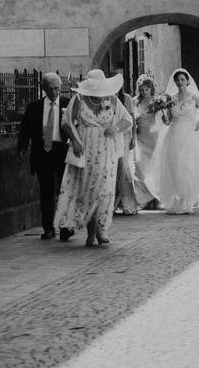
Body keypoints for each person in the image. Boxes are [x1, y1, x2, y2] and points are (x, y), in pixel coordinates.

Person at [55, 69, 133, 247]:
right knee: (89, 190)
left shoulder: (112, 100)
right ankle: (90, 232)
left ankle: (101, 229)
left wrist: (115, 128)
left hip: (107, 150)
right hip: (86, 150)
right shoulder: (79, 100)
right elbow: (66, 123)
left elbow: (128, 119)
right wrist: (74, 141)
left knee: (105, 189)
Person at [148, 68, 199, 215]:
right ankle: (177, 199)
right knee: (174, 166)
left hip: (189, 135)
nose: (180, 82)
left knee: (187, 165)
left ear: (187, 82)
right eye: (177, 80)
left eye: (182, 79)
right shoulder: (170, 99)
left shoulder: (194, 98)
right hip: (174, 134)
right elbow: (168, 122)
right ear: (174, 82)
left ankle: (187, 201)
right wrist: (164, 117)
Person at [17, 72, 73, 241]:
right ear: (44, 88)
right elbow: (25, 129)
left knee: (64, 191)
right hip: (43, 152)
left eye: (58, 88)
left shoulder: (67, 104)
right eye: (52, 89)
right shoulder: (34, 107)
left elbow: (75, 125)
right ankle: (48, 228)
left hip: (62, 151)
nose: (55, 92)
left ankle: (65, 227)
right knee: (46, 192)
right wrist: (22, 147)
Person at [130, 73, 165, 210]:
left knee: (154, 168)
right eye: (142, 90)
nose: (144, 92)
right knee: (139, 167)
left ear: (151, 88)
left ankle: (155, 199)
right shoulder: (135, 101)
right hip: (140, 136)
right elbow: (131, 117)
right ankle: (143, 198)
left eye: (146, 89)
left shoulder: (157, 101)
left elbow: (162, 118)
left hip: (153, 136)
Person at [111, 69, 139, 216]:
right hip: (112, 136)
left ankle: (128, 203)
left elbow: (132, 119)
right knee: (114, 169)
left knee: (123, 167)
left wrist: (133, 137)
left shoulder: (126, 98)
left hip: (125, 135)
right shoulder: (107, 97)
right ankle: (115, 202)